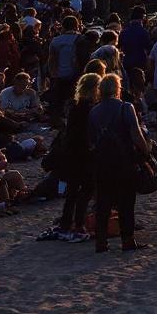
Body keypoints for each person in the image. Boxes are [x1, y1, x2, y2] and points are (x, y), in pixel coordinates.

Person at [88, 74, 152, 253]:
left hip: (102, 161)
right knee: (126, 202)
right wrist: (146, 152)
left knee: (103, 202)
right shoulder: (126, 107)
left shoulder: (94, 111)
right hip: (124, 160)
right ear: (118, 88)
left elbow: (91, 140)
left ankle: (101, 242)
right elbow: (136, 134)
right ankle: (127, 240)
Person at [54, 72, 100, 241]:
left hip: (72, 152)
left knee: (73, 190)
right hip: (84, 153)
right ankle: (79, 223)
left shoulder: (75, 106)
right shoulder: (89, 108)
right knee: (86, 189)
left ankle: (66, 222)